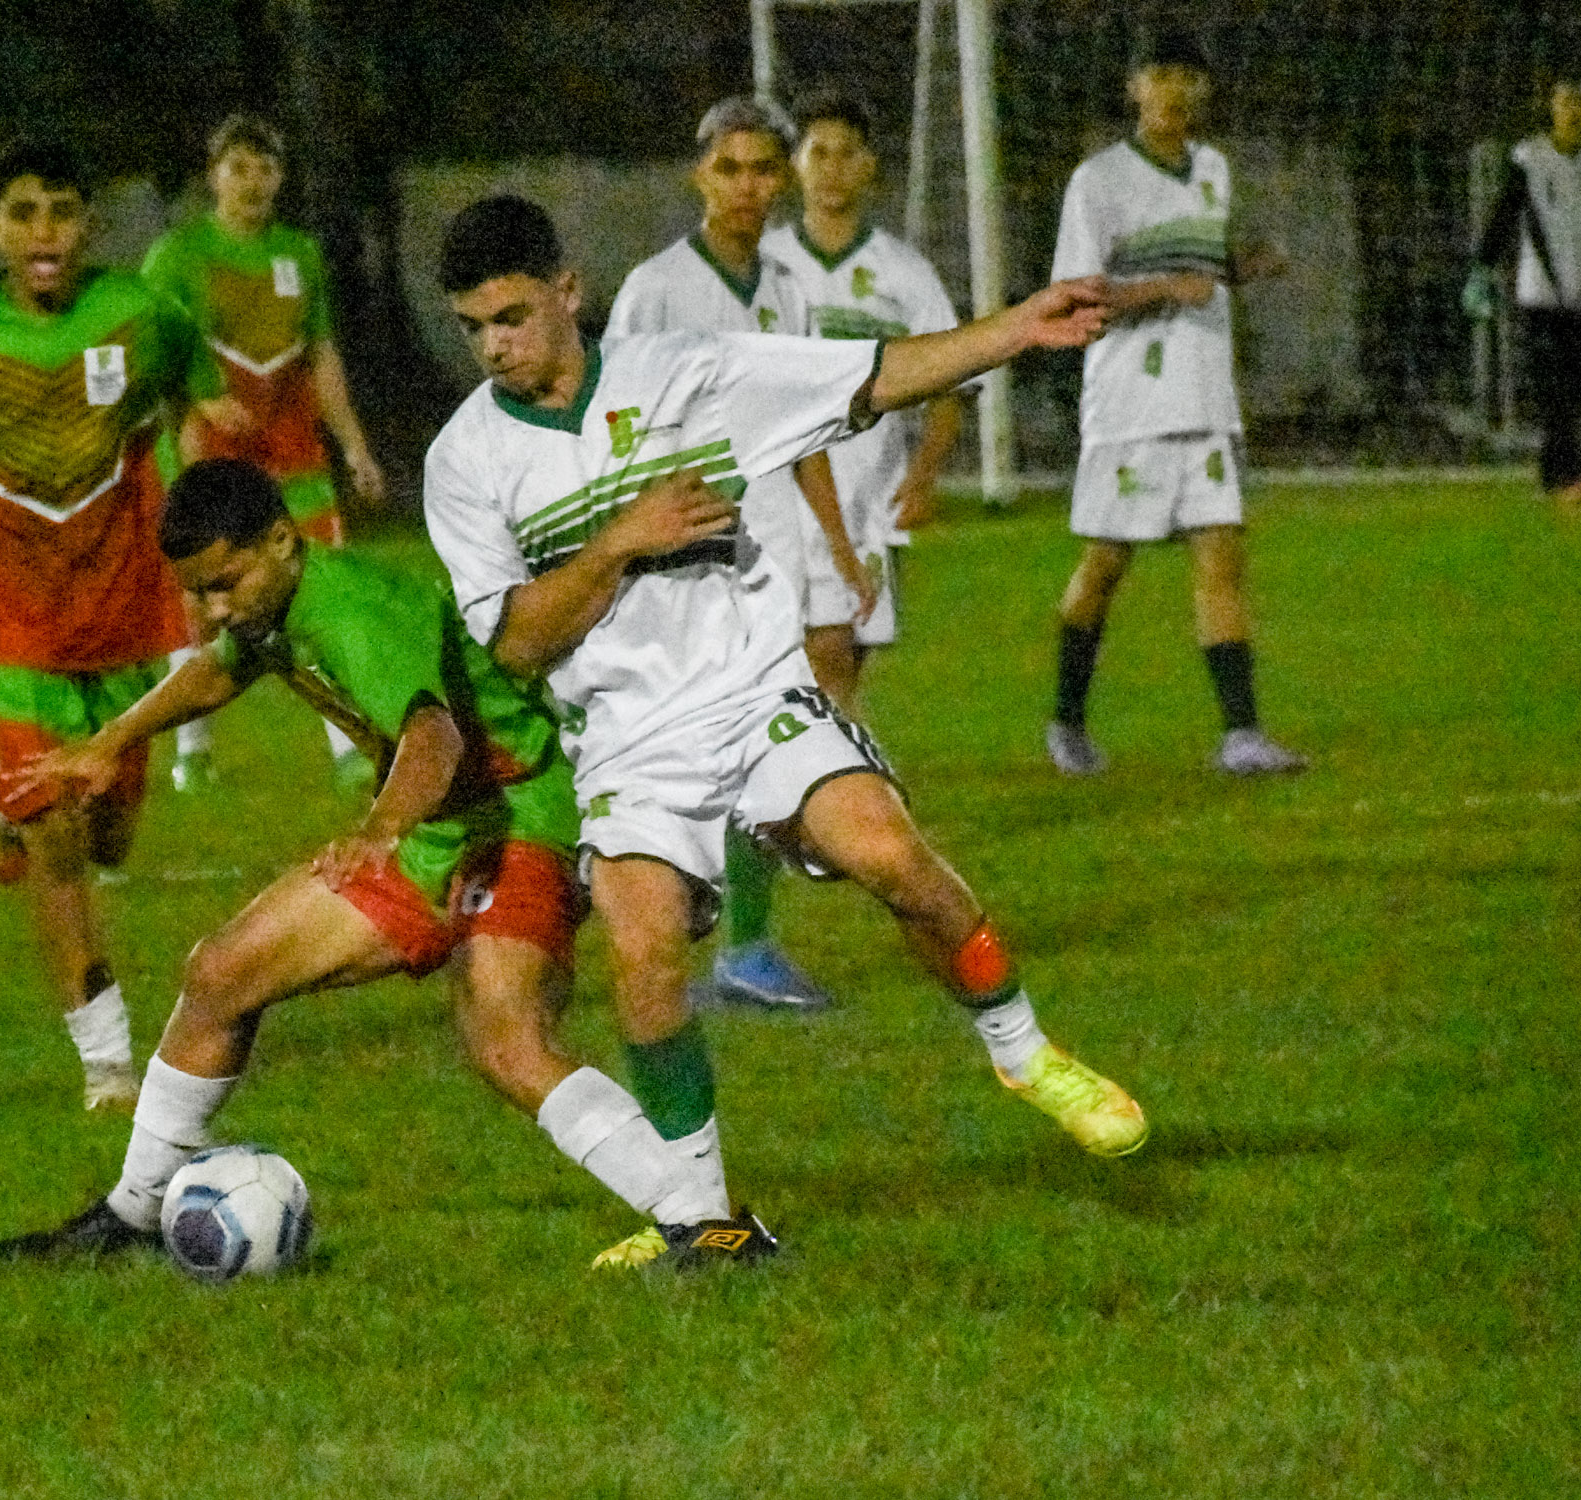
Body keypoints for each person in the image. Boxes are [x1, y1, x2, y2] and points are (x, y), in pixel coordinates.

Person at [425, 197, 1147, 1266]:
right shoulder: (465, 458)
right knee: (641, 958)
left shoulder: (687, 374)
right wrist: (620, 542)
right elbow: (518, 643)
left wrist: (1015, 325)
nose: (495, 345)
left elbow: (868, 376)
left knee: (891, 855)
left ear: (567, 291)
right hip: (629, 735)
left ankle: (1021, 1050)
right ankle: (704, 1222)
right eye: (475, 326)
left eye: (513, 316)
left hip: (754, 684)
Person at [0, 458, 773, 1270]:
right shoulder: (277, 600)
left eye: (225, 583)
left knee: (507, 1039)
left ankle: (709, 1227)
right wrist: (107, 745)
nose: (212, 607)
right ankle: (132, 1214)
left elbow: (432, 737)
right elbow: (220, 667)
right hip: (434, 829)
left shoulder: (354, 612)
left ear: (280, 540)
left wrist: (379, 829)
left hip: (514, 820)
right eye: (197, 591)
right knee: (222, 975)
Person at [0, 136, 236, 1114]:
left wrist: (207, 552)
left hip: (123, 605)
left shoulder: (144, 316)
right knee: (61, 843)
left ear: (89, 223)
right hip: (5, 615)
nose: (45, 235)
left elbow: (190, 417)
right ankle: (106, 1065)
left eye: (64, 213)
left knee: (113, 834)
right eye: (23, 213)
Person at [605, 95, 871, 1013]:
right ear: (699, 176)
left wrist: (839, 544)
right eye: (731, 169)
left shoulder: (789, 289)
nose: (750, 187)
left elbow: (807, 428)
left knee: (763, 743)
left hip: (773, 550)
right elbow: (613, 432)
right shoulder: (656, 290)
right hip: (685, 557)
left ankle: (746, 948)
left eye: (764, 169)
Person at [1044, 35, 1306, 779]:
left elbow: (1203, 267)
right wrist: (1162, 289)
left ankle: (1242, 734)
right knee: (1106, 565)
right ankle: (1066, 719)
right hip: (1131, 409)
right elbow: (1075, 297)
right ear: (1134, 87)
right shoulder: (1098, 181)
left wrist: (1243, 266)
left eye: (1189, 77)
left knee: (1222, 557)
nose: (1175, 90)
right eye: (1161, 75)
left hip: (1207, 399)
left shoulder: (1214, 169)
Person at [141, 111, 387, 793]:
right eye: (238, 167)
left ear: (281, 176)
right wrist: (203, 396)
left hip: (293, 454)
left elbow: (321, 354)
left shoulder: (299, 255)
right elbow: (145, 347)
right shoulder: (177, 256)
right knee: (201, 600)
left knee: (320, 587)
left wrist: (355, 446)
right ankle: (193, 750)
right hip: (205, 455)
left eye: (265, 168)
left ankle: (348, 745)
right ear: (213, 175)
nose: (253, 182)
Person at [763, 85, 970, 710]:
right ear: (795, 163)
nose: (831, 168)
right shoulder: (766, 263)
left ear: (869, 165)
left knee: (847, 656)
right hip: (788, 491)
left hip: (872, 494)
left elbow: (951, 383)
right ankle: (830, 793)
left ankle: (824, 786)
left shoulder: (902, 271)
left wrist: (925, 474)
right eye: (817, 153)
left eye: (846, 153)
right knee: (818, 652)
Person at [1466, 75, 1581, 514]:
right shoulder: (1529, 157)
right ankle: (1573, 477)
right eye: (1564, 101)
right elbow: (1505, 212)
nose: (1571, 110)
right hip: (1540, 293)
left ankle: (1554, 476)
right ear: (1552, 106)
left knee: (1575, 389)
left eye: (1579, 103)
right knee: (1554, 390)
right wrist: (1482, 269)